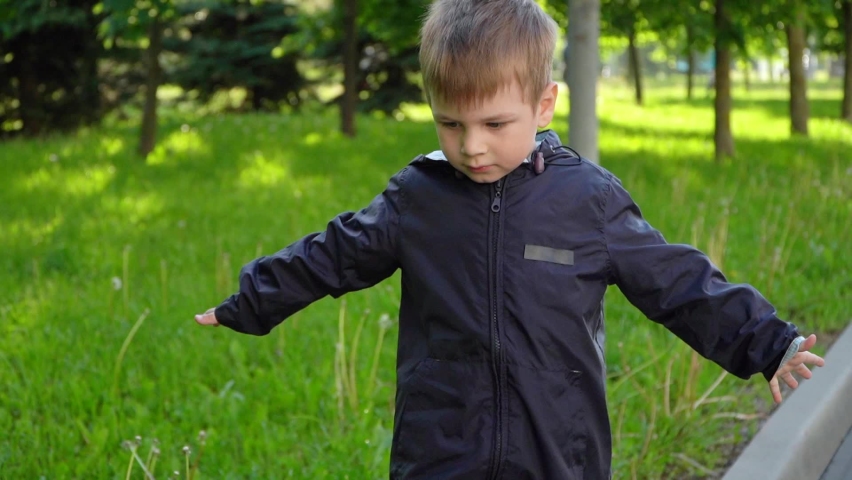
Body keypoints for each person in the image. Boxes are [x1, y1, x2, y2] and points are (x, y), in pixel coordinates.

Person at [194, 0, 825, 478]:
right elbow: (334, 255)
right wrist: (251, 300)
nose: (472, 146)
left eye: (496, 123)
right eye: (450, 123)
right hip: (440, 446)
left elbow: (678, 281)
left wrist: (766, 343)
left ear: (544, 105)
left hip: (559, 448)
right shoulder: (418, 199)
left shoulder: (588, 201)